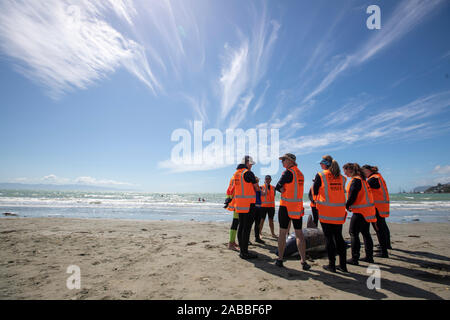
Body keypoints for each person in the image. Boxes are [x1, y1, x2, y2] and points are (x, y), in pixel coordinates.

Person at [274, 153, 311, 270]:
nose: (282, 162)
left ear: (290, 161)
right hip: (297, 207)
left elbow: (278, 185)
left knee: (283, 233)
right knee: (299, 234)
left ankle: (280, 259)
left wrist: (280, 188)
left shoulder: (288, 172)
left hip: (286, 206)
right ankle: (303, 261)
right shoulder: (300, 174)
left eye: (283, 160)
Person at [313, 155, 348, 273]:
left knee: (328, 238)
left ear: (325, 164)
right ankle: (343, 265)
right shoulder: (342, 178)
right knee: (339, 237)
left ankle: (332, 265)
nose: (320, 166)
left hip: (326, 211)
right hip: (339, 211)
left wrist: (315, 201)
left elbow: (315, 190)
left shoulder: (321, 175)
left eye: (321, 164)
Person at [343, 163, 377, 265]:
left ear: (349, 170)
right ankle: (369, 257)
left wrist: (347, 205)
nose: (344, 172)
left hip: (360, 211)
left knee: (353, 233)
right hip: (367, 211)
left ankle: (355, 258)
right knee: (366, 233)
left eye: (344, 170)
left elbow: (353, 195)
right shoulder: (362, 180)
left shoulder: (356, 180)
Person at [233, 155, 261, 260]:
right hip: (249, 204)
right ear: (247, 163)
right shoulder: (248, 173)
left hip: (240, 204)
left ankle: (242, 250)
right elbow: (257, 188)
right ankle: (244, 252)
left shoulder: (236, 173)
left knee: (241, 227)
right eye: (251, 164)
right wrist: (256, 181)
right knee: (247, 228)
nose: (251, 166)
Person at [362, 165, 392, 258]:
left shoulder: (373, 179)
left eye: (363, 172)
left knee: (379, 228)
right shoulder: (378, 177)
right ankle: (386, 245)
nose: (363, 174)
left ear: (367, 170)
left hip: (377, 207)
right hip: (381, 206)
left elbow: (364, 190)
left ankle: (384, 251)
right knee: (383, 227)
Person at [225, 176, 239, 251]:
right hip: (237, 203)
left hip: (235, 202)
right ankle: (231, 243)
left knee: (236, 222)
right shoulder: (237, 177)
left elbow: (229, 190)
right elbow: (232, 189)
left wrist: (229, 200)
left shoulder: (233, 177)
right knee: (235, 222)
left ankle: (232, 242)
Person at [253, 177, 266, 244]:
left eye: (258, 181)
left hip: (259, 207)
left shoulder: (258, 187)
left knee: (257, 224)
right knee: (249, 224)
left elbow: (264, 194)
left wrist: (264, 187)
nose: (257, 182)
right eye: (256, 181)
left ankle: (257, 238)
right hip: (253, 207)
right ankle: (248, 239)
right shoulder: (252, 187)